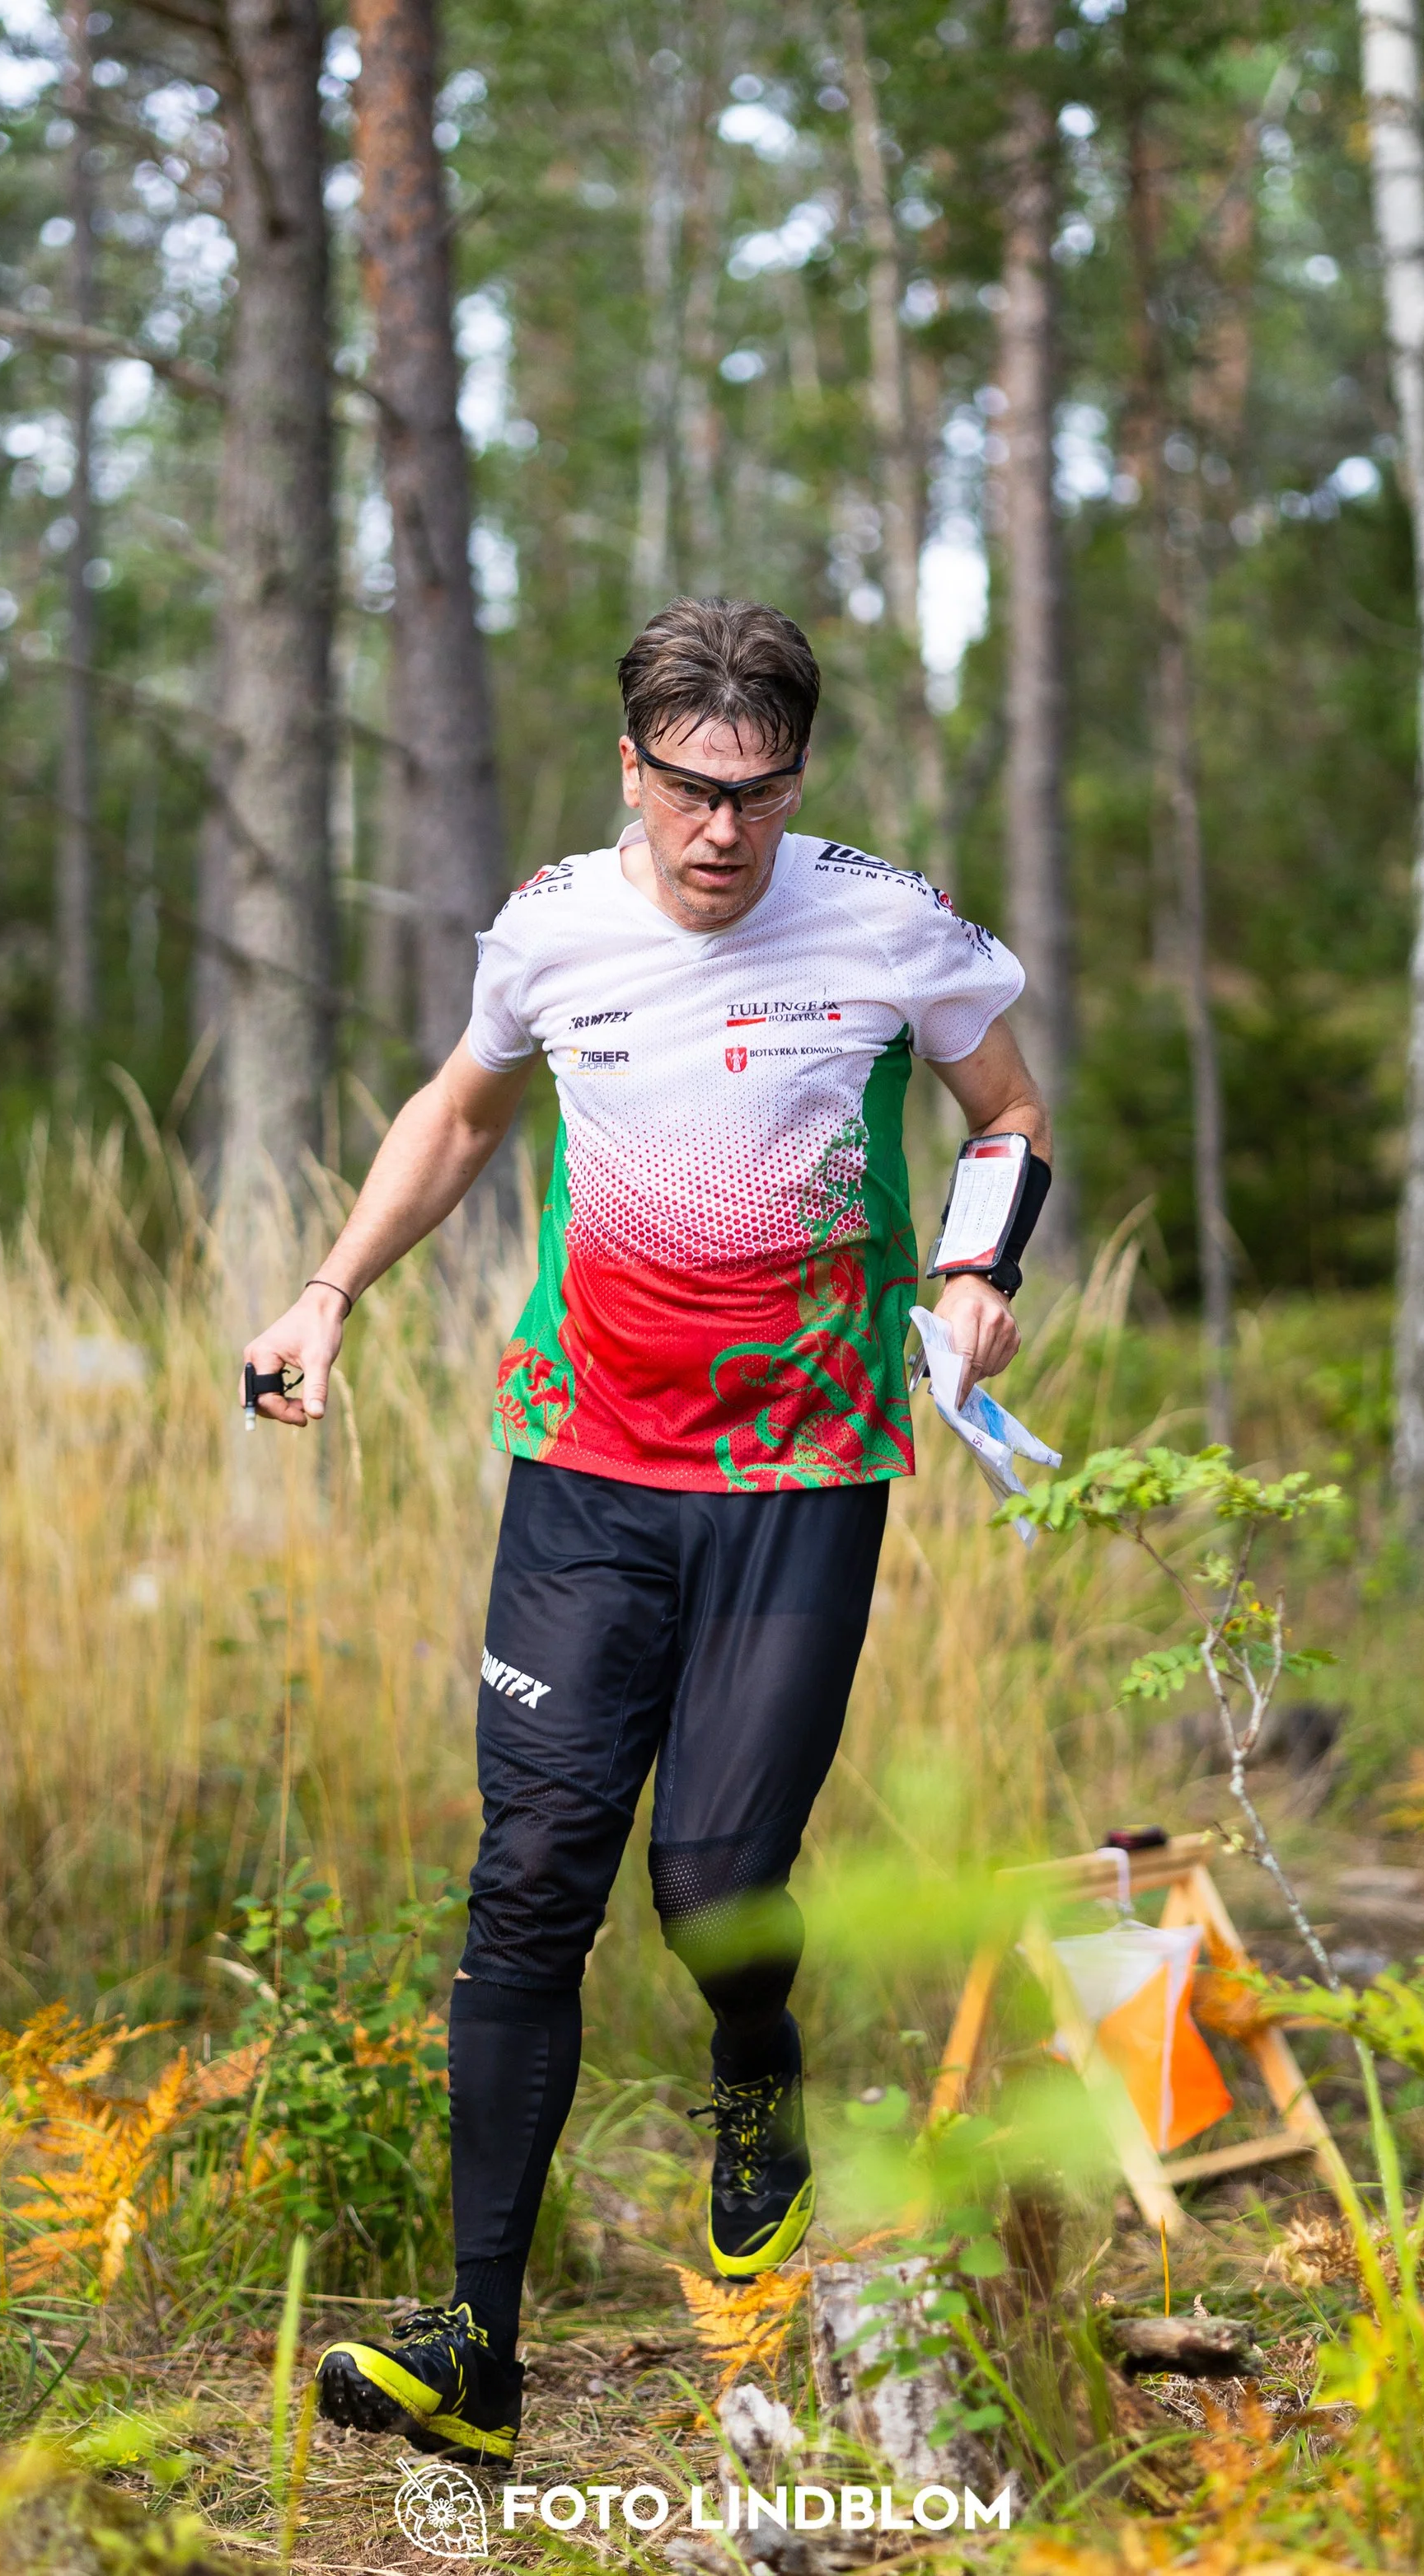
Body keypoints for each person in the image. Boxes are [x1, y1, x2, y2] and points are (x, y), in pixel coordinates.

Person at [239, 598, 1051, 2470]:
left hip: (799, 1479)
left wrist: (971, 1260)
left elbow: (1002, 1111)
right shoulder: (549, 927)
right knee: (527, 1879)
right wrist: (327, 1291)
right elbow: (460, 1108)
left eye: (756, 797)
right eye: (689, 792)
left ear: (794, 781)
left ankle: (751, 2046)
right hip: (583, 1470)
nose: (719, 835)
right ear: (633, 765)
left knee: (708, 1887)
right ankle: (475, 2347)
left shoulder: (880, 919)